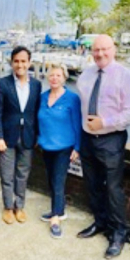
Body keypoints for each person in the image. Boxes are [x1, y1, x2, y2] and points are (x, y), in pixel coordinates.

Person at [76, 34, 130, 259]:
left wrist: (105, 122)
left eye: (105, 49)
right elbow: (82, 106)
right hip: (87, 139)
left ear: (114, 49)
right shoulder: (85, 75)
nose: (100, 54)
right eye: (96, 50)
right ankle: (100, 222)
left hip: (111, 139)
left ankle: (119, 232)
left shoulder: (126, 77)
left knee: (113, 189)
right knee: (93, 184)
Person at [0, 46, 42, 224]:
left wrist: (37, 135)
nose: (20, 65)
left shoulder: (36, 85)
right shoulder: (3, 83)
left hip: (28, 137)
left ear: (29, 63)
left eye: (23, 61)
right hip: (7, 137)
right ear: (11, 63)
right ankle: (7, 207)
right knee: (7, 175)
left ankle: (19, 206)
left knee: (23, 174)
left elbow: (36, 112)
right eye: (16, 61)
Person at [37, 64, 81, 238]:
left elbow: (78, 124)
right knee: (51, 179)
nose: (54, 78)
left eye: (58, 75)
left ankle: (56, 218)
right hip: (46, 146)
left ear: (64, 78)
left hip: (64, 147)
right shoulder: (42, 97)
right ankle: (59, 209)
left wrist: (77, 147)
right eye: (51, 75)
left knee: (58, 181)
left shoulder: (72, 98)